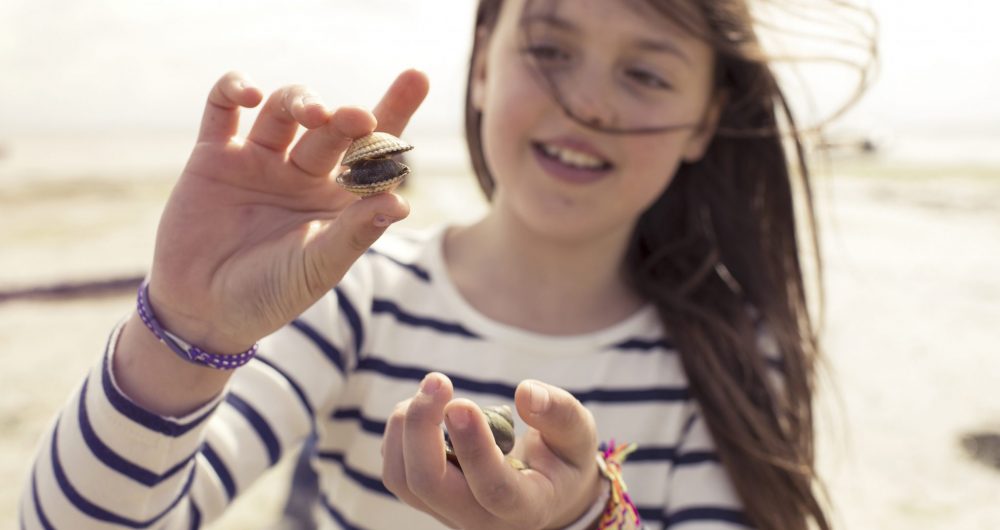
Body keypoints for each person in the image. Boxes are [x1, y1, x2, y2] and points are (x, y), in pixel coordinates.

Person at [20, 0, 865, 528]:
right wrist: (186, 328)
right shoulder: (356, 297)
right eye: (552, 48)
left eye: (646, 72)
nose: (590, 102)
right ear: (485, 59)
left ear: (707, 120)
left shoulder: (729, 351)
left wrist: (585, 515)